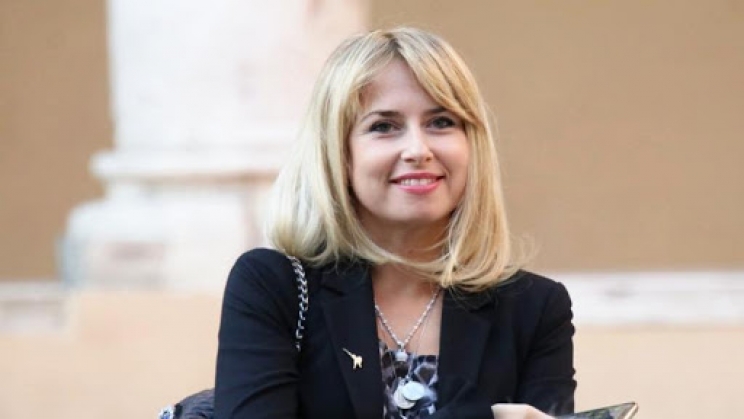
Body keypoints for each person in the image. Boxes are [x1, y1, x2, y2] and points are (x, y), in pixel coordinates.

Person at [214, 27, 575, 419]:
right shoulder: (273, 287)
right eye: (384, 126)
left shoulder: (535, 309)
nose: (418, 150)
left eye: (441, 122)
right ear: (339, 154)